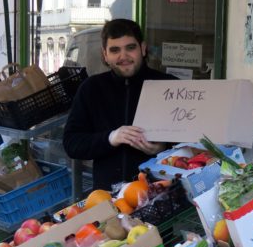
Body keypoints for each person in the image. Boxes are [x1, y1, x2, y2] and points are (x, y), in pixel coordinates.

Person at [63, 19, 176, 191]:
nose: (123, 56)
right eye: (115, 50)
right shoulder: (91, 89)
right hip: (109, 198)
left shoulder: (170, 86)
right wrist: (110, 138)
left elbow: (194, 145)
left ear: (143, 48)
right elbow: (72, 143)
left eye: (130, 48)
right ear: (105, 55)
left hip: (164, 194)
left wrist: (164, 149)